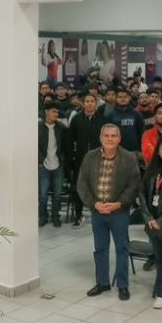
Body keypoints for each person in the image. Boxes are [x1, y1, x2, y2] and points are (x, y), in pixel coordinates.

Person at [78, 124, 139, 301]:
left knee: (121, 248)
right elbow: (82, 184)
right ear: (101, 138)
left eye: (113, 136)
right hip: (97, 211)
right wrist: (94, 203)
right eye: (106, 135)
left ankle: (122, 285)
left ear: (119, 138)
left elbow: (134, 184)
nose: (110, 139)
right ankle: (102, 282)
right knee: (100, 248)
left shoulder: (129, 158)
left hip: (119, 211)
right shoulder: (90, 157)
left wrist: (118, 203)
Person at [66, 93, 107, 228]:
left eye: (92, 101)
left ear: (96, 104)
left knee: (99, 187)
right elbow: (70, 139)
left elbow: (108, 139)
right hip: (80, 159)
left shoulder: (103, 120)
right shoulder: (76, 119)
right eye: (87, 101)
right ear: (83, 104)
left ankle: (100, 214)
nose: (89, 103)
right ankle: (78, 215)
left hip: (99, 159)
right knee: (79, 187)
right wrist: (72, 156)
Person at [38, 105, 69, 227]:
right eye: (53, 111)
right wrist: (39, 161)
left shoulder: (61, 127)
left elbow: (66, 145)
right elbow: (34, 145)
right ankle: (43, 216)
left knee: (57, 194)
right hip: (43, 165)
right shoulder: (38, 127)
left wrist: (63, 160)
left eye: (57, 112)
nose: (56, 114)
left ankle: (55, 216)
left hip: (58, 165)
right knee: (43, 195)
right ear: (46, 111)